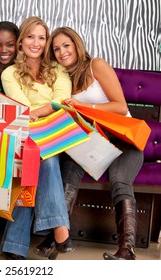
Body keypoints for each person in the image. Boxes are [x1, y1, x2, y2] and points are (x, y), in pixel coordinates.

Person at [45, 26, 144, 260]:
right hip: (93, 144)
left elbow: (120, 106)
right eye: (56, 49)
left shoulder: (96, 65)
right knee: (69, 171)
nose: (62, 52)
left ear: (76, 44)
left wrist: (83, 107)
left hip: (124, 142)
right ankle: (56, 238)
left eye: (66, 45)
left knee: (120, 180)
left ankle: (126, 249)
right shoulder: (62, 78)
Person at [0, 16, 74, 260]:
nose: (36, 43)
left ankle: (15, 244)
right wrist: (45, 109)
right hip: (25, 135)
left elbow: (62, 101)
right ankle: (60, 230)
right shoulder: (10, 73)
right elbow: (21, 108)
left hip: (58, 134)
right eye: (30, 37)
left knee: (44, 158)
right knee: (42, 159)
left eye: (42, 38)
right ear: (21, 42)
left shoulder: (57, 69)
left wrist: (40, 112)